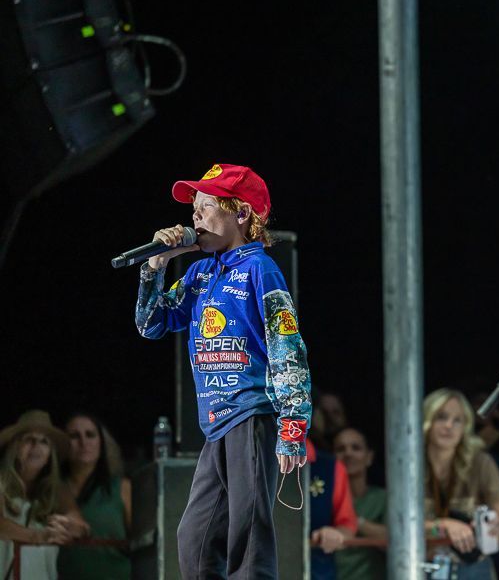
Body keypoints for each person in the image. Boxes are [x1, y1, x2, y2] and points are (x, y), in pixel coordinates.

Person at [134, 163, 311, 579]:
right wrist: (155, 267)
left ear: (241, 214)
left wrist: (293, 429)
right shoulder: (198, 274)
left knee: (247, 535)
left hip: (252, 414)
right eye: (192, 208)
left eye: (204, 206)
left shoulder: (260, 270)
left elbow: (288, 348)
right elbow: (150, 324)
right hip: (215, 425)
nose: (193, 217)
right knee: (194, 538)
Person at [422, 389, 499, 579]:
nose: (449, 426)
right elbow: (396, 525)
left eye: (458, 420)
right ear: (427, 420)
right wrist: (445, 525)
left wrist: (492, 528)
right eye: (441, 417)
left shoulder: (480, 462)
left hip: (471, 565)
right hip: (423, 563)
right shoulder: (410, 465)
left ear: (466, 427)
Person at [0, 410, 89, 580]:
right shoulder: (1, 483)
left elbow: (78, 522)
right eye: (29, 440)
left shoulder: (57, 489)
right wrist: (38, 536)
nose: (36, 446)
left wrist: (70, 528)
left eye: (44, 442)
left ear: (49, 455)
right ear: (15, 447)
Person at [57, 413, 132, 580]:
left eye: (90, 435)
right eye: (74, 436)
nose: (83, 442)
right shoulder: (52, 488)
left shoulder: (122, 488)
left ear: (102, 443)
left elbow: (143, 547)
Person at [333, 427, 387, 580]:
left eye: (356, 448)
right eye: (340, 449)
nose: (348, 454)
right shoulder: (324, 500)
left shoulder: (383, 499)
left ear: (369, 457)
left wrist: (352, 523)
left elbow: (398, 540)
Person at [307, 438, 358, 580]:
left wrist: (335, 533)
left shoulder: (331, 467)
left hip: (315, 572)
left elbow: (347, 526)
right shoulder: (254, 459)